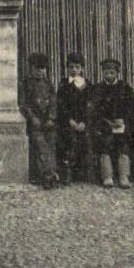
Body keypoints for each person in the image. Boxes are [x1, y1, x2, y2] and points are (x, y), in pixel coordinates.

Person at [89, 57, 134, 188]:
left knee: (123, 144)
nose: (109, 75)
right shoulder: (97, 89)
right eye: (106, 72)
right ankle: (107, 176)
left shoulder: (125, 88)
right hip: (104, 126)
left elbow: (132, 108)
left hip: (122, 125)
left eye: (112, 72)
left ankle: (124, 176)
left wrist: (123, 120)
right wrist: (106, 122)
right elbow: (94, 111)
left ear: (117, 73)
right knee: (104, 143)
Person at [19, 53, 58, 188]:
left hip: (47, 122)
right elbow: (24, 104)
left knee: (51, 143)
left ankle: (52, 172)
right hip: (34, 122)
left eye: (43, 69)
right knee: (40, 144)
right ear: (31, 68)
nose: (40, 71)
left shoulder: (49, 84)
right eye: (37, 68)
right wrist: (32, 118)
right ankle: (47, 176)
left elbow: (53, 102)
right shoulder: (25, 83)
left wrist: (51, 118)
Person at [56, 52, 90, 185]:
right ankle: (67, 172)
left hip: (83, 122)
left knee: (86, 139)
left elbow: (90, 105)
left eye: (77, 67)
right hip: (68, 122)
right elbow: (61, 105)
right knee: (68, 139)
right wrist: (69, 120)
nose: (74, 70)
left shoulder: (87, 85)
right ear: (67, 69)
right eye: (71, 67)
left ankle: (83, 172)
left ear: (82, 69)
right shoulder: (63, 84)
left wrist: (84, 121)